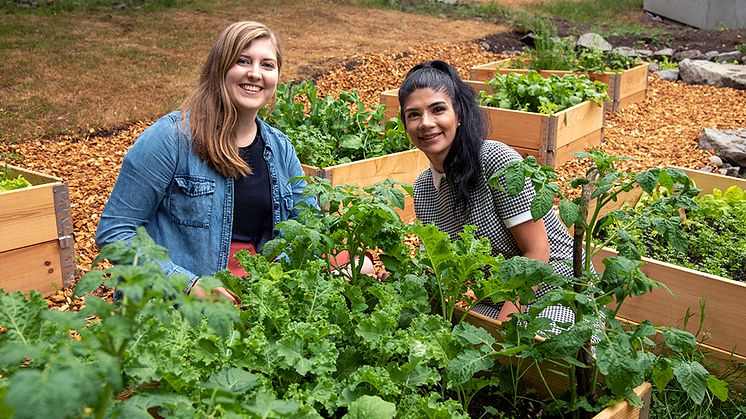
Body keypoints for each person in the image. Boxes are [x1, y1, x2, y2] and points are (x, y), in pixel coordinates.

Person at [96, 21, 317, 303]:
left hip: (252, 298)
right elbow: (115, 232)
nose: (254, 74)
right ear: (219, 68)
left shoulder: (279, 148)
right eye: (242, 61)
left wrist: (278, 271)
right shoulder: (171, 138)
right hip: (172, 306)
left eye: (267, 65)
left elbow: (310, 224)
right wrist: (189, 285)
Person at [398, 60, 579, 326]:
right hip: (494, 298)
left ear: (458, 114)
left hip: (553, 285)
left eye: (438, 109)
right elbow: (435, 270)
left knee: (539, 350)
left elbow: (537, 252)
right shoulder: (424, 189)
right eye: (413, 114)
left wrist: (503, 334)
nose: (426, 123)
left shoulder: (496, 160)